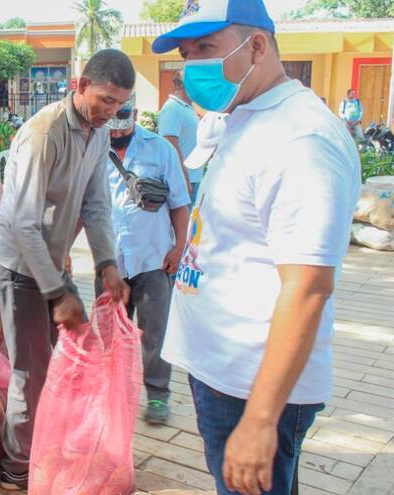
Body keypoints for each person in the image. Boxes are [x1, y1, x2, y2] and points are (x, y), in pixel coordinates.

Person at [151, 2, 361, 494]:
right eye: (186, 54)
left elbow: (308, 287)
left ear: (258, 46)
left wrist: (262, 420)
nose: (193, 65)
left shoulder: (301, 139)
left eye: (207, 47)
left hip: (253, 388)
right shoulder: (248, 116)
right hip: (224, 373)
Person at [0, 48, 134, 491]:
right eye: (106, 99)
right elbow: (23, 224)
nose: (111, 112)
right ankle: (17, 466)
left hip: (50, 263)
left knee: (73, 355)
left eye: (120, 104)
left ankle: (52, 444)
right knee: (31, 371)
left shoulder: (97, 133)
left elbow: (96, 204)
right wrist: (57, 293)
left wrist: (107, 263)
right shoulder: (43, 133)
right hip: (16, 265)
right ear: (81, 85)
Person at [104, 97, 190, 425]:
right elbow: (84, 208)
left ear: (135, 115)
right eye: (110, 124)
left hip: (153, 257)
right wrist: (65, 248)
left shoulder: (160, 150)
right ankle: (114, 395)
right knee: (111, 332)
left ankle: (157, 394)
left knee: (155, 331)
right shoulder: (92, 150)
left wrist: (179, 248)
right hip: (110, 262)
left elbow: (179, 203)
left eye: (122, 122)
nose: (116, 131)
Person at [159, 70, 201, 204]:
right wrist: (184, 179)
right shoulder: (172, 108)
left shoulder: (187, 108)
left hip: (193, 177)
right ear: (181, 84)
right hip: (184, 180)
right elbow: (170, 146)